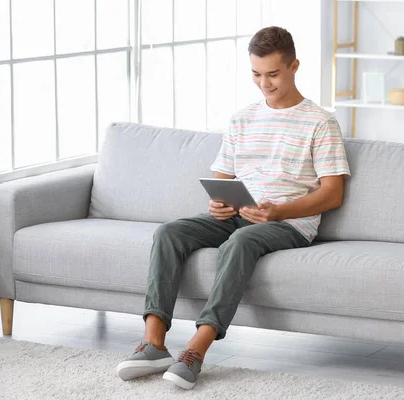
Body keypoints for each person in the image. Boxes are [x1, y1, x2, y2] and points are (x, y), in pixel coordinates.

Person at [116, 26, 351, 390]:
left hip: (289, 223)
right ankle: (154, 343)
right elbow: (222, 177)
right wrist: (220, 203)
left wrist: (278, 212)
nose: (264, 83)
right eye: (256, 74)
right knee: (169, 232)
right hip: (239, 214)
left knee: (239, 243)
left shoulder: (320, 122)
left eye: (273, 74)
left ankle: (196, 350)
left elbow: (332, 194)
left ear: (294, 66)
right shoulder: (242, 119)